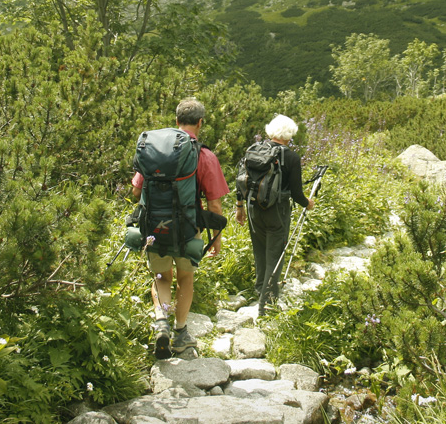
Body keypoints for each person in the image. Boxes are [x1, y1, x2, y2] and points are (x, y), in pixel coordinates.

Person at [132, 98, 229, 358]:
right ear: (200, 123)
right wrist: (216, 240)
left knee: (162, 278)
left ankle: (161, 321)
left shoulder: (153, 152)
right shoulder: (203, 155)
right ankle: (180, 333)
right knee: (185, 279)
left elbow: (135, 189)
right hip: (188, 229)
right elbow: (215, 205)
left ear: (176, 122)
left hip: (154, 228)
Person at [236, 114, 315, 315]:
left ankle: (259, 290)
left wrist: (240, 207)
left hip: (253, 208)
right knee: (275, 255)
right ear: (289, 135)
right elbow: (297, 194)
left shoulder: (254, 150)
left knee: (260, 251)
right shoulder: (291, 157)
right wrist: (308, 204)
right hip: (277, 211)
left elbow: (241, 179)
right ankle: (267, 304)